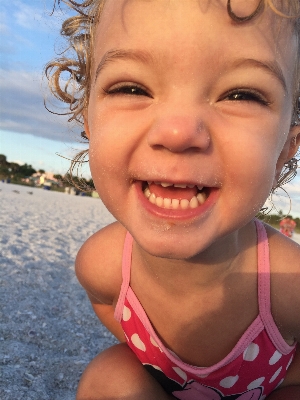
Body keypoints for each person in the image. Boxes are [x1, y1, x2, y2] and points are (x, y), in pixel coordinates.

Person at [46, 0, 300, 398]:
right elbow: (105, 304)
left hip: (266, 388)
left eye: (241, 95)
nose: (178, 132)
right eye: (131, 88)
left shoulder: (289, 282)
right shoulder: (101, 266)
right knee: (109, 375)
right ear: (87, 119)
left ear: (287, 145)